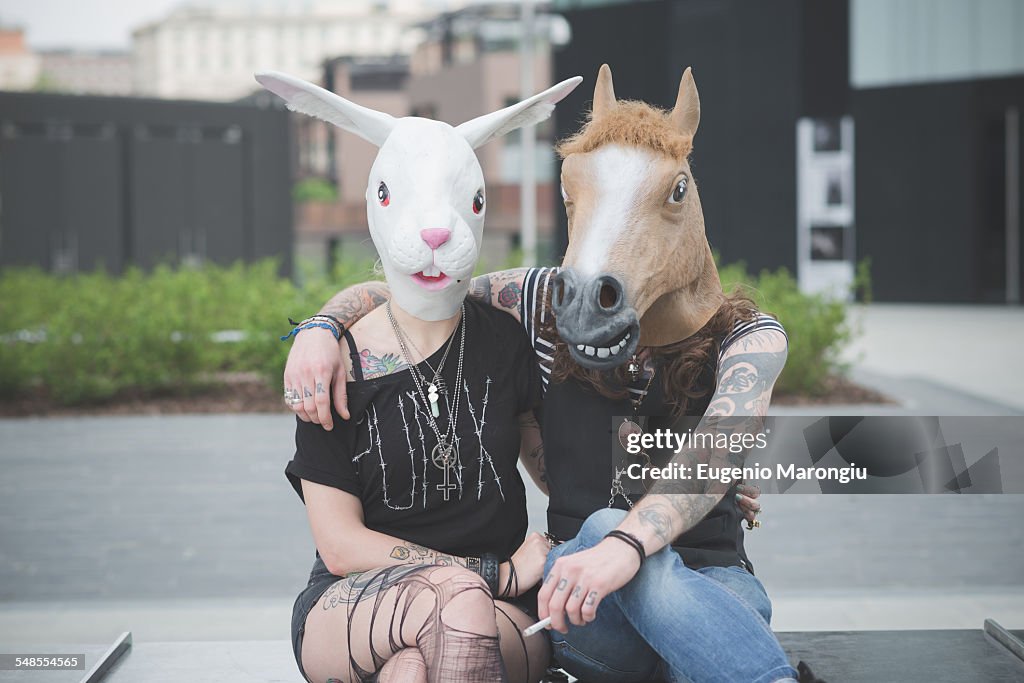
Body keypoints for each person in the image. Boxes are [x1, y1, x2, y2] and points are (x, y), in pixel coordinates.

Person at [279, 65, 814, 682]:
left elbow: (716, 454)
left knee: (650, 572)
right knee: (604, 532)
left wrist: (627, 546)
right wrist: (320, 328)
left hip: (710, 585)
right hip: (586, 605)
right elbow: (417, 292)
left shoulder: (748, 337)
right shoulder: (540, 305)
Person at [254, 70, 583, 682]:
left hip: (498, 613)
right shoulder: (337, 363)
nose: (436, 234)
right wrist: (493, 574)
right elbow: (340, 544)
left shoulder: (504, 338)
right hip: (361, 599)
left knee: (413, 670)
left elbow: (559, 470)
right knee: (450, 606)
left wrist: (680, 475)